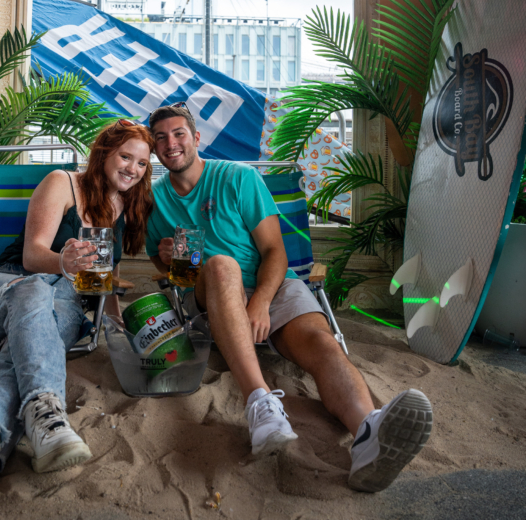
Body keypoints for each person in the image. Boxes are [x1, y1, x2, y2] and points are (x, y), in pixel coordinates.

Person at [146, 103, 432, 493]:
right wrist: (166, 260)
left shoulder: (238, 179)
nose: (171, 143)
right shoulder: (154, 201)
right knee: (221, 265)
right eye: (160, 138)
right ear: (153, 148)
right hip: (210, 293)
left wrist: (261, 300)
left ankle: (368, 432)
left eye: (178, 133)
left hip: (270, 284)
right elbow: (161, 262)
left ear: (196, 138)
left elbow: (275, 253)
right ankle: (260, 404)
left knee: (320, 341)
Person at [0, 120, 155, 498]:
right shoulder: (62, 182)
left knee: (27, 340)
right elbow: (31, 255)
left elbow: (108, 273)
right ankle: (49, 415)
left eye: (142, 164)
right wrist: (65, 263)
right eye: (126, 156)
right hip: (3, 287)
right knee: (34, 291)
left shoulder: (127, 205)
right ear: (104, 152)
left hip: (64, 304)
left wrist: (114, 322)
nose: (132, 169)